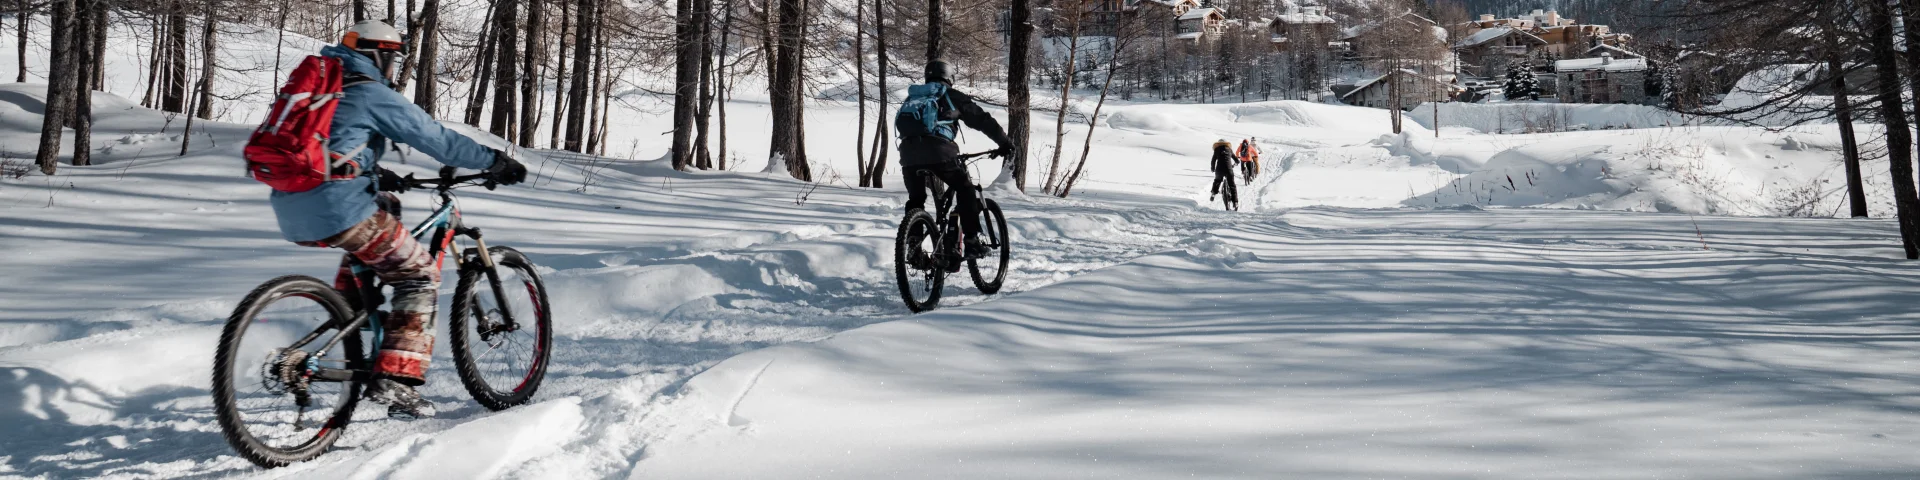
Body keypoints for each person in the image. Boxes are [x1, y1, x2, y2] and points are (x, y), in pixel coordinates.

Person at [268, 21, 527, 419]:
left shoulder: (324, 87)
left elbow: (329, 144)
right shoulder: (371, 92)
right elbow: (438, 140)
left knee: (385, 206)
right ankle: (396, 380)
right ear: (379, 55)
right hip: (338, 207)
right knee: (419, 275)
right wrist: (495, 162)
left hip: (291, 205)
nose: (394, 67)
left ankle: (353, 309)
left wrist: (370, 171)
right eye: (393, 58)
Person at [898, 60, 1014, 260]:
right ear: (949, 77)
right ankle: (971, 241)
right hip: (940, 152)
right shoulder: (950, 95)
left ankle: (913, 246)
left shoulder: (913, 97)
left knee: (916, 200)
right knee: (965, 188)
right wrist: (1004, 142)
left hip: (908, 154)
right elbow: (982, 119)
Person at [1209, 139, 1238, 210]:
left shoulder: (1216, 150)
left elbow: (1213, 160)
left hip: (1219, 169)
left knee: (1217, 181)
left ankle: (1213, 193)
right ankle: (1235, 202)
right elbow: (1236, 160)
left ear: (1218, 144)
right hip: (1229, 169)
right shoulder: (1229, 150)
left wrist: (1213, 168)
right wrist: (1235, 163)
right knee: (1232, 185)